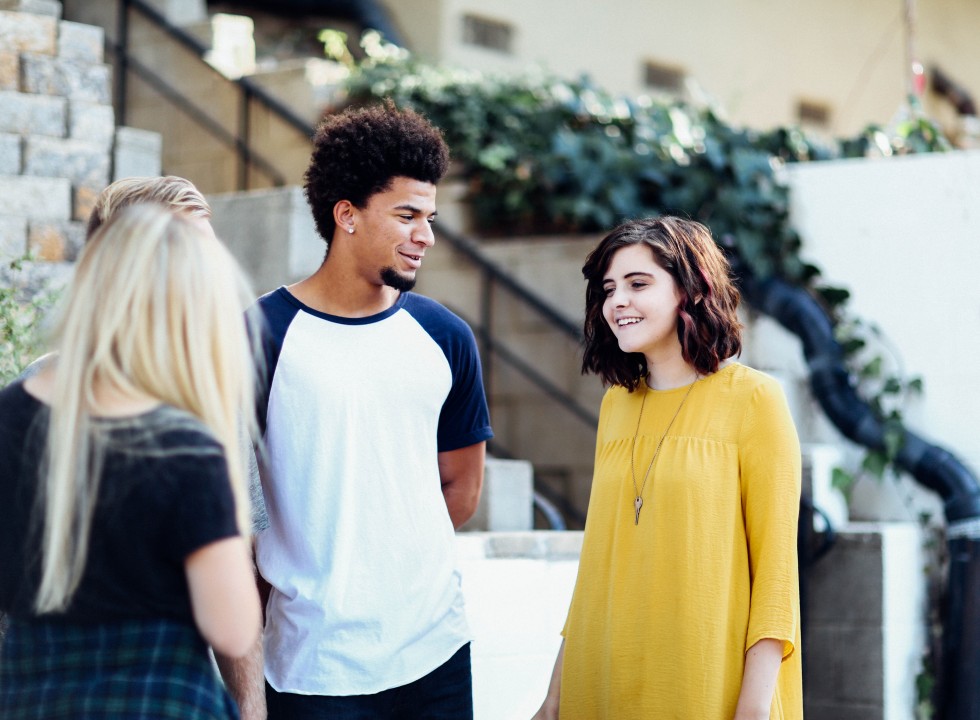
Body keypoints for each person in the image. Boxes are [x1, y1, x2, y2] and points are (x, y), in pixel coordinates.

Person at [235, 100, 493, 719]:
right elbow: (233, 504)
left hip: (434, 649)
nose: (424, 236)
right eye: (407, 215)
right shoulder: (260, 334)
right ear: (346, 214)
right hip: (310, 663)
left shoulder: (446, 336)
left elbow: (461, 490)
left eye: (429, 217)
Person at [532, 216, 803, 720]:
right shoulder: (616, 404)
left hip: (703, 683)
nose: (618, 302)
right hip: (603, 679)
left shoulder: (755, 401)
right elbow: (597, 563)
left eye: (639, 284)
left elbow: (776, 577)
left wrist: (754, 707)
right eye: (609, 288)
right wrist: (554, 698)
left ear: (691, 291)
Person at [0, 206, 262, 719]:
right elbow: (232, 627)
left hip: (29, 700)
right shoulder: (186, 446)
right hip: (159, 703)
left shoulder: (8, 414)